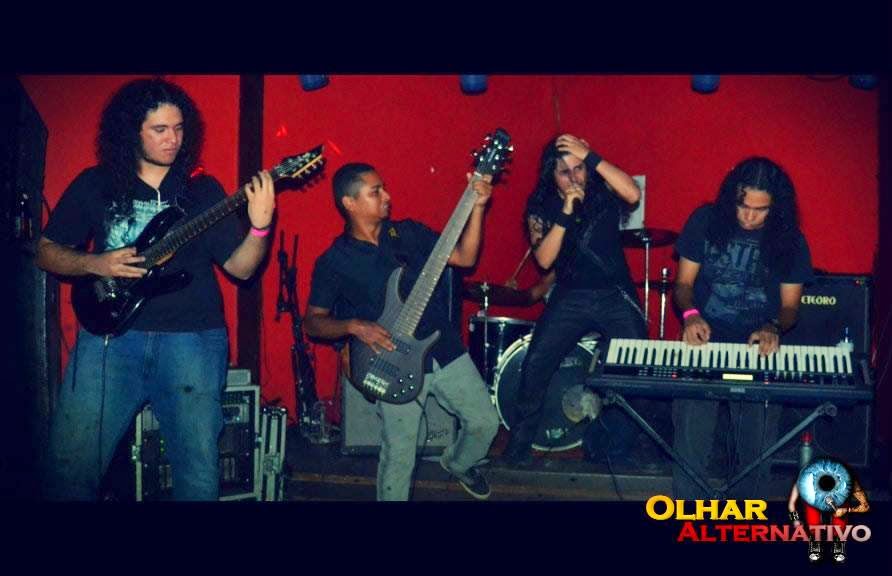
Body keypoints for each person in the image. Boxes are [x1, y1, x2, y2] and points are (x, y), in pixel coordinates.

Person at [37, 78, 275, 500]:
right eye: (160, 130)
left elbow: (240, 269)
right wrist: (95, 263)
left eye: (179, 128)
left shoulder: (202, 192)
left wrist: (259, 227)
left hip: (192, 339)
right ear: (132, 132)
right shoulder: (96, 184)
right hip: (110, 339)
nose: (173, 139)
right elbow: (45, 252)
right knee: (71, 468)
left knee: (198, 473)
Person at [304, 162, 500, 501]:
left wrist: (478, 208)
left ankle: (457, 463)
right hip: (391, 361)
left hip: (443, 347)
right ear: (350, 203)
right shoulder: (334, 261)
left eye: (383, 188)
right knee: (399, 455)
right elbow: (312, 322)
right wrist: (353, 326)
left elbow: (465, 258)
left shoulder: (407, 233)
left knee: (485, 423)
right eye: (375, 191)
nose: (387, 196)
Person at [503, 133, 657, 467]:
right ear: (551, 175)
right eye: (564, 171)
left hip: (614, 294)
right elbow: (544, 259)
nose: (574, 177)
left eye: (579, 168)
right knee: (536, 364)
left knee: (639, 367)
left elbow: (633, 193)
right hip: (570, 296)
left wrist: (590, 155)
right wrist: (565, 211)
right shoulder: (541, 207)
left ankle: (645, 446)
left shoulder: (603, 193)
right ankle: (518, 447)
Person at [673, 156, 814, 499]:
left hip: (758, 349)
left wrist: (772, 326)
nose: (749, 217)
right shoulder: (705, 220)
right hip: (704, 342)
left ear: (775, 208)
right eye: (743, 206)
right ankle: (687, 512)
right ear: (731, 198)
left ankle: (746, 517)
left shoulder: (791, 240)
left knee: (756, 451)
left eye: (760, 210)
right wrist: (691, 314)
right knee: (690, 442)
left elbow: (790, 308)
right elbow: (683, 285)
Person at [788, 462, 869, 563]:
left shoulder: (849, 481)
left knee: (842, 507)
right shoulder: (804, 480)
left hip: (839, 502)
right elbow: (791, 503)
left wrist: (846, 510)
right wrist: (795, 520)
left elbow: (865, 506)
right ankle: (815, 539)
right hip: (814, 502)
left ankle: (838, 540)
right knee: (811, 509)